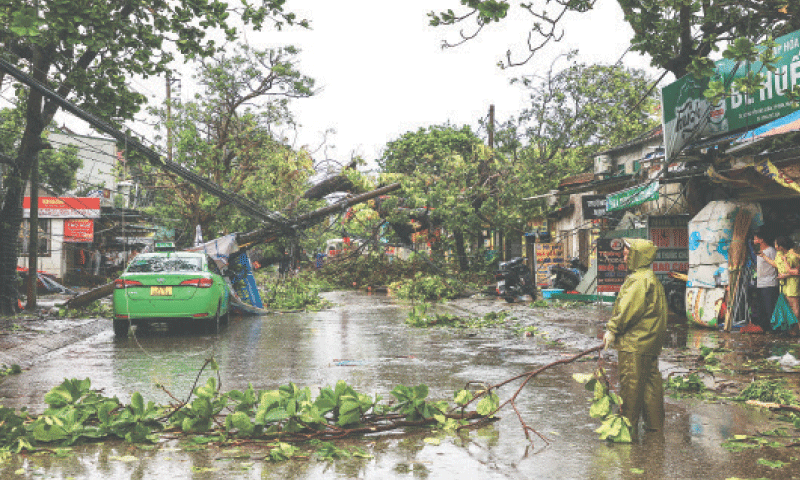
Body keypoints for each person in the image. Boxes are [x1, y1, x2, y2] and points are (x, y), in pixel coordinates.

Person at [602, 238, 667, 433]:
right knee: (651, 386)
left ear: (638, 255)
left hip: (635, 343)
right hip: (649, 343)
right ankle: (655, 427)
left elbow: (628, 309)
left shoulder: (638, 280)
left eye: (628, 252)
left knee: (631, 387)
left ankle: (625, 429)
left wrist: (612, 329)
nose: (624, 255)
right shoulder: (651, 277)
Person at [761, 236, 800, 334]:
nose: (775, 246)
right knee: (787, 306)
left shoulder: (793, 255)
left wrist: (785, 275)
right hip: (783, 284)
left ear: (781, 246)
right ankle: (792, 329)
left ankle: (795, 328)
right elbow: (776, 264)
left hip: (792, 283)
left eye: (776, 244)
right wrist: (764, 257)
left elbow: (795, 271)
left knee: (794, 307)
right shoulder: (779, 254)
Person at [753, 229, 779, 332]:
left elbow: (776, 265)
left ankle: (774, 329)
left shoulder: (771, 251)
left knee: (770, 308)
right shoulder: (760, 252)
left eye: (755, 238)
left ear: (761, 239)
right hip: (760, 283)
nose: (753, 240)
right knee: (762, 308)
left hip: (770, 283)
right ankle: (764, 328)